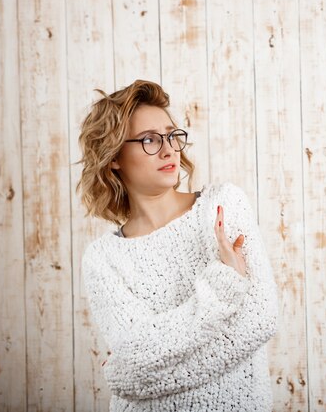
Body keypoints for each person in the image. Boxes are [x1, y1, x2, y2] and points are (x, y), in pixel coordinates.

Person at [77, 80, 278, 411]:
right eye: (150, 140)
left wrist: (129, 378)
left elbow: (259, 320)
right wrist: (222, 287)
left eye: (172, 135)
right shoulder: (102, 258)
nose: (170, 149)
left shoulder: (221, 206)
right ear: (113, 157)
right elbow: (135, 351)